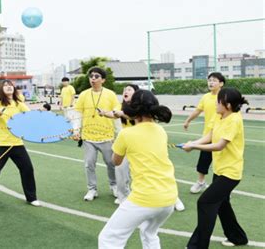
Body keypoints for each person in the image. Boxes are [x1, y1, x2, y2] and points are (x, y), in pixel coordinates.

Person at [98, 90, 178, 248]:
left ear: (133, 109)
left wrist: (119, 145)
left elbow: (115, 161)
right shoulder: (160, 131)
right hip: (169, 198)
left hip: (145, 198)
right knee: (149, 233)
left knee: (109, 238)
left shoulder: (126, 134)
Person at [182, 88, 249, 248]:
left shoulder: (234, 119)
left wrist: (194, 147)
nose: (215, 103)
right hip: (220, 170)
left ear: (227, 104)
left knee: (205, 202)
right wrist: (193, 143)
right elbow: (210, 136)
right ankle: (237, 237)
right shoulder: (219, 116)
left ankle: (197, 246)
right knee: (222, 204)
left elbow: (219, 146)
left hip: (230, 173)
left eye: (218, 101)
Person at [0, 80, 40, 209]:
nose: (8, 87)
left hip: (16, 143)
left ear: (14, 89)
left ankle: (31, 197)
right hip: (0, 144)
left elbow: (30, 116)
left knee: (27, 169)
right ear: (1, 90)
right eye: (6, 86)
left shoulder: (18, 103)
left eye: (10, 86)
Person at [73, 67, 122, 201]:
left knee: (111, 163)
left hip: (107, 136)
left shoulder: (110, 94)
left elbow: (117, 113)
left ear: (103, 80)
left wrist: (120, 134)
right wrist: (76, 130)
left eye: (96, 76)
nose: (93, 79)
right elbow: (77, 113)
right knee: (89, 164)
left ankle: (114, 186)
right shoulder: (83, 94)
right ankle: (92, 189)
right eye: (91, 76)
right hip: (88, 137)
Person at [183, 72, 226, 194]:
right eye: (209, 80)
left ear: (221, 83)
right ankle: (201, 182)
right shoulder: (206, 97)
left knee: (222, 163)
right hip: (208, 135)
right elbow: (197, 111)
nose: (211, 82)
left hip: (222, 135)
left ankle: (223, 188)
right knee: (204, 160)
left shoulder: (224, 97)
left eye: (214, 80)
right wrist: (187, 121)